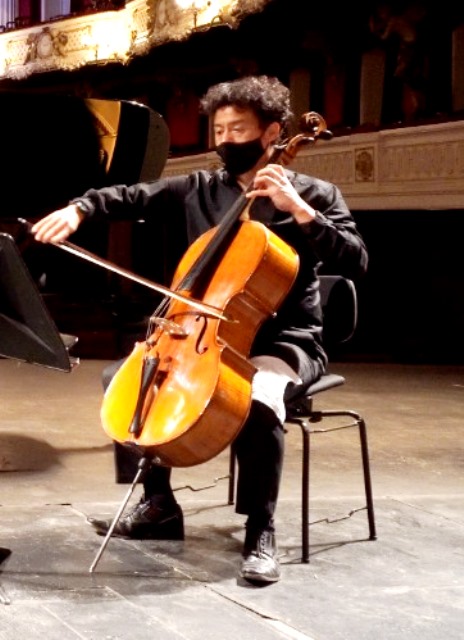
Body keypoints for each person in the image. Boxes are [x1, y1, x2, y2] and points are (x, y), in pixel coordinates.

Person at [31, 75, 368, 584]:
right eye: (219, 130)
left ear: (272, 132)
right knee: (128, 380)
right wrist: (80, 208)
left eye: (238, 130)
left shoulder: (316, 194)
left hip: (284, 342)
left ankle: (260, 529)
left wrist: (300, 212)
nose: (226, 140)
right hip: (203, 334)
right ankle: (158, 505)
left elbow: (356, 259)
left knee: (257, 399)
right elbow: (131, 196)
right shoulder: (199, 189)